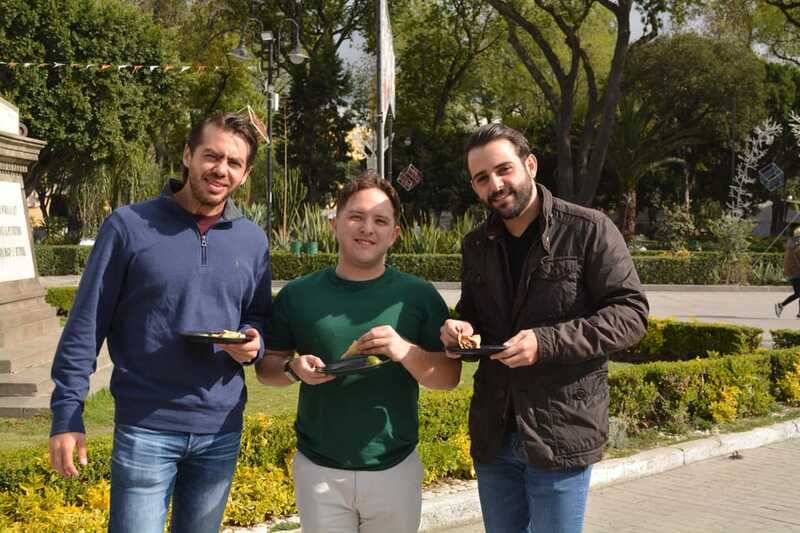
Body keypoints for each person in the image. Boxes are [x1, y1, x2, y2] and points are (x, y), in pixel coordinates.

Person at [49, 112, 272, 533]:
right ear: (188, 155)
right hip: (145, 427)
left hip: (220, 428)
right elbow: (85, 323)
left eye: (234, 163)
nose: (221, 169)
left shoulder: (253, 239)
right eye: (212, 155)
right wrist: (67, 414)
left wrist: (254, 342)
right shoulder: (129, 227)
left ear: (244, 175)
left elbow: (257, 316)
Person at [440, 123, 649, 533]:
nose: (495, 184)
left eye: (504, 169)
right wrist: (459, 330)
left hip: (560, 431)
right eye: (482, 178)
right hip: (494, 431)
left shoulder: (588, 229)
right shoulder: (476, 244)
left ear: (530, 165)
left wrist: (546, 342)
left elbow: (631, 314)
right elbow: (476, 315)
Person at [256, 171, 461, 533]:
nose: (367, 228)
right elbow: (266, 369)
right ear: (335, 225)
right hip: (319, 469)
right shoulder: (297, 295)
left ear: (394, 234)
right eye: (356, 217)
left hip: (394, 468)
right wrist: (292, 368)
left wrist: (404, 349)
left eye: (380, 220)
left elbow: (448, 378)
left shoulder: (419, 296)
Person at [775, 225, 800, 318]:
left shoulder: (790, 246)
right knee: (798, 293)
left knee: (798, 293)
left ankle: (799, 313)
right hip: (797, 273)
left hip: (792, 273)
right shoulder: (798, 247)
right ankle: (781, 305)